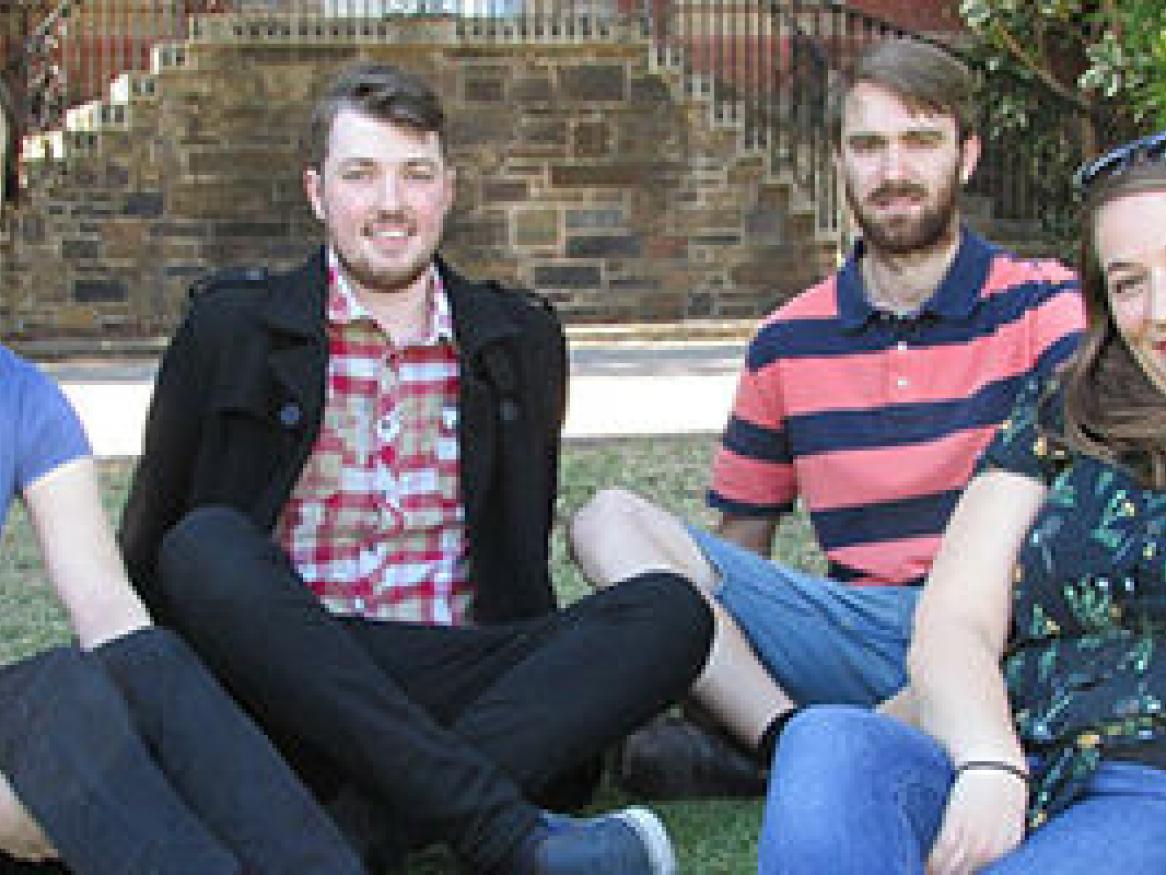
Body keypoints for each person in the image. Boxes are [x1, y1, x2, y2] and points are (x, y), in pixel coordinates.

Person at [119, 61, 712, 874]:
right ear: (316, 192)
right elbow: (150, 547)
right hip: (278, 670)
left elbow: (519, 555)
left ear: (449, 190)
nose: (391, 203)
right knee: (203, 545)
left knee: (671, 613)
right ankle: (500, 830)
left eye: (415, 174)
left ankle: (350, 841)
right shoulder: (229, 331)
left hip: (451, 671)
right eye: (360, 174)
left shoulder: (520, 342)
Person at [569, 37, 1084, 798]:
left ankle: (830, 747)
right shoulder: (786, 342)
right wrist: (711, 672)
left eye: (921, 142)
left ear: (966, 156)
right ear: (839, 159)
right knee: (608, 520)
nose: (894, 171)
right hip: (853, 628)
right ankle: (788, 744)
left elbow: (1087, 517)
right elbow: (735, 553)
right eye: (868, 145)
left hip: (1002, 627)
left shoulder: (1045, 305)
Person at [760, 128, 1166, 874]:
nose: (1158, 311)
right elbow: (955, 617)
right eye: (1129, 281)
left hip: (1148, 785)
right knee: (829, 743)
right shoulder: (1067, 408)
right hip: (1004, 750)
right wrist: (989, 763)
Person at [0, 343, 364, 874]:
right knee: (46, 693)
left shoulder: (21, 393)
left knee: (142, 664)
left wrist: (161, 738)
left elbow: (105, 607)